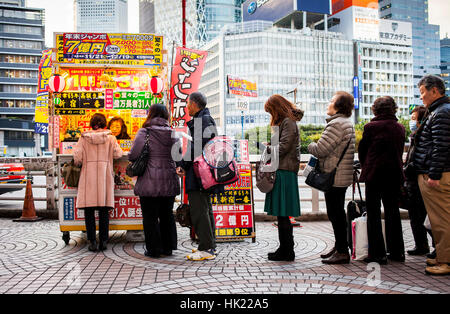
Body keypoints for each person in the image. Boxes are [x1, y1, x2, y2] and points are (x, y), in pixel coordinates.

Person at [308, 91, 356, 264]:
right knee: (338, 212)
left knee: (335, 213)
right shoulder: (346, 123)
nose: (328, 104)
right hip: (341, 175)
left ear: (339, 106)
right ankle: (340, 246)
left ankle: (342, 251)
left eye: (331, 101)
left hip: (334, 176)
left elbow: (320, 149)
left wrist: (310, 145)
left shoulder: (336, 124)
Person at [358, 96, 406, 265]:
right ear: (394, 109)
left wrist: (366, 166)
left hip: (374, 175)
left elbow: (363, 151)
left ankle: (378, 254)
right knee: (393, 211)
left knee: (373, 213)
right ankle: (397, 251)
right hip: (394, 175)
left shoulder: (371, 127)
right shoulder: (400, 128)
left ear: (375, 109)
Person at [129, 104, 180, 258]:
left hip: (149, 181)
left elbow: (133, 155)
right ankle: (168, 247)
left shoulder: (145, 132)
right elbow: (177, 157)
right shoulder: (172, 133)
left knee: (150, 217)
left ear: (150, 114)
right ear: (166, 116)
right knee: (167, 214)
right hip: (169, 179)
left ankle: (154, 250)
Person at [176, 92, 220, 261]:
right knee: (205, 209)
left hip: (200, 173)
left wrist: (182, 165)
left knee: (200, 210)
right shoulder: (205, 119)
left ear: (194, 104)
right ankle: (209, 245)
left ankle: (207, 248)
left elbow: (196, 150)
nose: (187, 107)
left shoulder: (202, 121)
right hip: (204, 172)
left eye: (188, 103)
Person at [413, 75, 450, 276]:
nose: (422, 97)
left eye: (423, 93)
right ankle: (441, 256)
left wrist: (434, 174)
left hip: (437, 175)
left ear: (434, 90)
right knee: (437, 220)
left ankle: (446, 261)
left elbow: (441, 146)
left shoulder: (441, 113)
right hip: (436, 172)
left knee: (442, 220)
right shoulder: (439, 110)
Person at [73, 113, 123, 252]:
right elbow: (118, 154)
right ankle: (104, 241)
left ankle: (92, 241)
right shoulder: (111, 138)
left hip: (88, 177)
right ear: (104, 124)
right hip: (104, 177)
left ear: (91, 124)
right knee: (103, 210)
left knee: (89, 212)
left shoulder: (83, 139)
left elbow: (77, 158)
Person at [263, 94, 303, 261]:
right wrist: (271, 145)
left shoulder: (288, 122)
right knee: (282, 213)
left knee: (283, 213)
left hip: (284, 170)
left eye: (271, 111)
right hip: (282, 169)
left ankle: (287, 250)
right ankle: (285, 248)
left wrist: (270, 149)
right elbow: (280, 145)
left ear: (277, 108)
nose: (271, 115)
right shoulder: (285, 122)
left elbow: (284, 147)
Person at [404, 106, 435, 256]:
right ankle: (421, 245)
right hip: (412, 181)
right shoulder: (414, 136)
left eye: (414, 118)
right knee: (416, 217)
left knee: (424, 217)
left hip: (418, 181)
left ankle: (435, 246)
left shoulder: (422, 137)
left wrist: (407, 168)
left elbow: (420, 158)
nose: (411, 121)